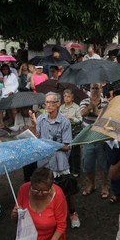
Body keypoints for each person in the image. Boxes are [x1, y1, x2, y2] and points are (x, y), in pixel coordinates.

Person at [29, 92, 80, 229]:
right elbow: (38, 138)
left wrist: (50, 145)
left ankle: (73, 213)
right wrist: (33, 128)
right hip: (44, 161)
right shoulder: (41, 119)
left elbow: (67, 146)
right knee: (46, 189)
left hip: (60, 162)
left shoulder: (64, 121)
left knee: (67, 190)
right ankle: (49, 215)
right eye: (47, 102)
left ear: (58, 104)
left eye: (52, 102)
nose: (49, 105)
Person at [79, 83, 111, 199]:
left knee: (103, 165)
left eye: (97, 88)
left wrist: (95, 107)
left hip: (101, 138)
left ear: (101, 89)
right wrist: (89, 106)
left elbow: (103, 118)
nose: (95, 90)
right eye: (93, 88)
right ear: (90, 89)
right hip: (87, 139)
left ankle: (104, 186)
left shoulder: (106, 102)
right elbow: (82, 113)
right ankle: (91, 184)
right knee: (88, 164)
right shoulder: (84, 102)